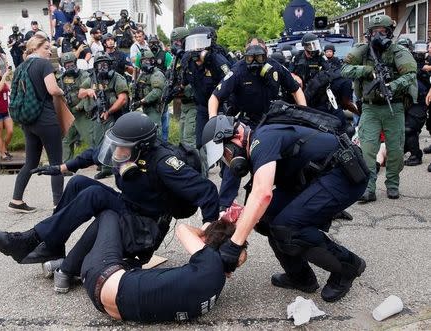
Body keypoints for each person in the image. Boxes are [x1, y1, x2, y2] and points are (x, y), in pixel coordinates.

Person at [0, 112, 220, 274]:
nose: (117, 152)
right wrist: (60, 168)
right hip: (128, 206)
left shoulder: (163, 163)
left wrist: (210, 232)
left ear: (141, 148)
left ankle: (30, 239)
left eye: (122, 148)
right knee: (78, 183)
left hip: (146, 226)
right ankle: (52, 245)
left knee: (94, 196)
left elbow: (207, 191)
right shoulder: (127, 146)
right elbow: (94, 154)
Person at [202, 114, 368, 302]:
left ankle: (348, 266)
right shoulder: (258, 142)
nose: (228, 160)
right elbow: (260, 198)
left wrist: (234, 245)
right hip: (316, 176)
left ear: (237, 137)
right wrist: (241, 219)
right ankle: (300, 277)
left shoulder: (261, 140)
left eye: (226, 153)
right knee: (266, 219)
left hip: (344, 174)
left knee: (288, 227)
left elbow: (263, 193)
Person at [78, 210, 246, 321]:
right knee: (132, 260)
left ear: (205, 242)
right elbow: (239, 256)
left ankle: (65, 269)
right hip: (113, 308)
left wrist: (205, 229)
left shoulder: (210, 259)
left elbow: (182, 229)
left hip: (102, 277)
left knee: (109, 216)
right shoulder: (217, 281)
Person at [208, 40, 306, 212]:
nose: (254, 60)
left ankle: (279, 202)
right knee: (235, 161)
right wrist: (214, 122)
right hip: (245, 123)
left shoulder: (275, 67)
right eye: (250, 56)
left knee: (281, 160)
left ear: (265, 53)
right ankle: (224, 207)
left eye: (258, 56)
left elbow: (296, 89)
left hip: (271, 122)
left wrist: (304, 114)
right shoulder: (238, 70)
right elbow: (214, 97)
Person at [341, 15, 417, 201]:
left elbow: (410, 75)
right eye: (374, 32)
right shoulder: (363, 50)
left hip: (394, 107)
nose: (377, 35)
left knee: (396, 150)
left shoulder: (398, 51)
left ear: (389, 33)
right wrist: (366, 71)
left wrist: (392, 86)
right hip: (370, 108)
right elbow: (344, 69)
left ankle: (392, 183)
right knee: (367, 149)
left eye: (382, 32)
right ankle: (368, 188)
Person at [8, 34, 65, 213]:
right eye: (46, 47)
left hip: (28, 120)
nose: (49, 51)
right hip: (46, 119)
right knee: (56, 162)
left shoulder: (20, 67)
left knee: (30, 162)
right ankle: (59, 204)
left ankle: (16, 200)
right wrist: (63, 91)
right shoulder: (44, 64)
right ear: (35, 48)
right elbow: (52, 89)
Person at [78, 51, 129, 179]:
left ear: (110, 65)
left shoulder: (117, 78)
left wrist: (109, 111)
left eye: (105, 65)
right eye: (100, 65)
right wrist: (88, 91)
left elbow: (123, 99)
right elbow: (80, 93)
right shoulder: (92, 78)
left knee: (109, 141)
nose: (102, 68)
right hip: (97, 114)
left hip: (114, 114)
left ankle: (108, 168)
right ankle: (103, 165)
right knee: (97, 140)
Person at [182, 26, 231, 150]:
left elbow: (231, 84)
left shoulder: (218, 61)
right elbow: (184, 80)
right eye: (194, 42)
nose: (197, 47)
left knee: (222, 144)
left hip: (221, 109)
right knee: (201, 143)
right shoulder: (188, 61)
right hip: (202, 108)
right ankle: (204, 168)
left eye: (201, 42)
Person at [135, 35, 173, 142]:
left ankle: (163, 143)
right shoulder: (142, 55)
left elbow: (171, 70)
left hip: (161, 86)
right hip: (148, 92)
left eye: (155, 42)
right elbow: (137, 69)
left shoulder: (165, 55)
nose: (153, 45)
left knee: (163, 121)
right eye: (151, 43)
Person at [58, 52, 93, 162]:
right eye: (66, 64)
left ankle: (101, 163)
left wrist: (79, 106)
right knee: (66, 140)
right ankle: (66, 165)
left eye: (71, 63)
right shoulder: (63, 78)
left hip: (82, 113)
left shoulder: (84, 75)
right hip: (70, 113)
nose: (69, 66)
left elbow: (88, 92)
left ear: (75, 62)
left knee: (91, 139)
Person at [169, 27, 196, 148]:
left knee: (190, 140)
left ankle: (199, 167)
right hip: (185, 105)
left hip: (195, 104)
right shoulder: (176, 59)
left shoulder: (194, 57)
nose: (175, 45)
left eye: (178, 42)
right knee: (182, 141)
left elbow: (197, 83)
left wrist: (181, 88)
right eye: (174, 42)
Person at [403, 40, 428, 167]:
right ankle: (407, 148)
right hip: (406, 102)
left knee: (410, 128)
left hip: (421, 101)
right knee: (404, 128)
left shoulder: (420, 63)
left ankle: (416, 156)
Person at [131, 50, 166, 136]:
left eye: (147, 61)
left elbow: (157, 92)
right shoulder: (142, 75)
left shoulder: (157, 74)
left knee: (154, 132)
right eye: (143, 61)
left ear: (152, 61)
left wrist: (141, 101)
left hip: (154, 108)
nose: (145, 63)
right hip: (144, 107)